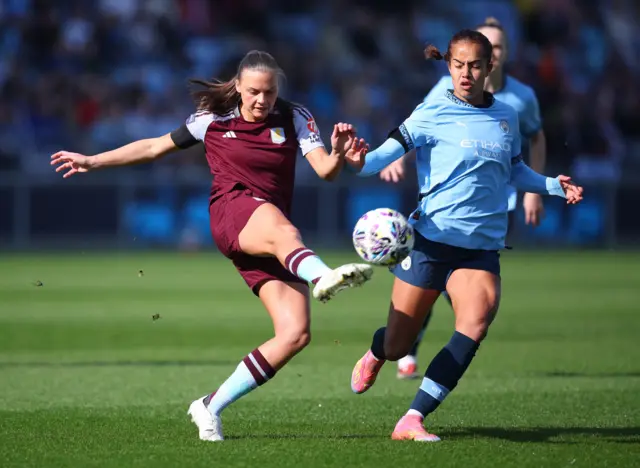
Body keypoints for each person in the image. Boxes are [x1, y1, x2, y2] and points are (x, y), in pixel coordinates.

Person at [51, 50, 373, 442]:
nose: (261, 100)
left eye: (268, 92)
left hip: (270, 236)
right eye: (253, 91)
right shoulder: (213, 119)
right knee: (284, 230)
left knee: (294, 334)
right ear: (238, 86)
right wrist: (92, 161)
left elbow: (324, 171)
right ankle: (323, 275)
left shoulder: (295, 116)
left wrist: (339, 153)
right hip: (233, 212)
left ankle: (209, 406)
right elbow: (154, 147)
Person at [345, 30, 583, 442]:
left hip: (481, 247)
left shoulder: (506, 115)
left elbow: (514, 170)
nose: (466, 73)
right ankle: (378, 352)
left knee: (476, 321)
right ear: (448, 65)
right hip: (432, 241)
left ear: (491, 66)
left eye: (475, 65)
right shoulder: (431, 111)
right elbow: (379, 157)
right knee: (399, 344)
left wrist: (552, 186)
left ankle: (412, 418)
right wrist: (357, 158)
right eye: (458, 65)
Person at [381, 18, 550, 379]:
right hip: (441, 217)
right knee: (430, 291)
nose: (468, 70)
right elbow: (419, 128)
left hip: (491, 217)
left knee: (473, 314)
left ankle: (415, 411)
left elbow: (533, 141)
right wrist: (394, 155)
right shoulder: (446, 88)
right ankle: (402, 347)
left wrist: (538, 191)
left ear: (496, 58)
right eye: (461, 62)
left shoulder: (520, 100)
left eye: (497, 48)